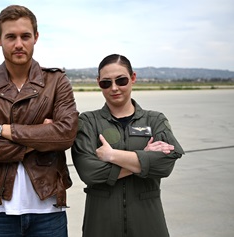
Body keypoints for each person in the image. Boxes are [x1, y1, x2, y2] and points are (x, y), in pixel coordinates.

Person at [0, 5, 79, 237]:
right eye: (11, 37)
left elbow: (65, 133)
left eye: (25, 36)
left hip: (49, 210)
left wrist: (1, 130)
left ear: (35, 37)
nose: (18, 44)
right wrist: (41, 137)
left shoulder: (57, 82)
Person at [71, 54, 184, 237]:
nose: (114, 88)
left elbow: (164, 164)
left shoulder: (154, 120)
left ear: (133, 78)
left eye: (121, 80)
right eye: (106, 83)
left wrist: (112, 155)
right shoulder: (89, 122)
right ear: (98, 83)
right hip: (101, 226)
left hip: (148, 224)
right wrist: (144, 157)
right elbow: (89, 172)